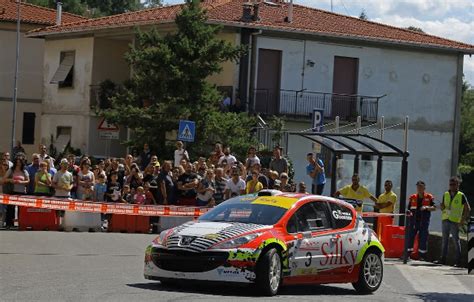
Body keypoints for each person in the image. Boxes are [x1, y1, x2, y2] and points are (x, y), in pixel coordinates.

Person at [434, 177, 471, 266]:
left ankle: (457, 261)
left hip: (455, 221)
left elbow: (468, 209)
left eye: (454, 184)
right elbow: (443, 207)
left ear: (458, 184)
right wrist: (442, 206)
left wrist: (462, 221)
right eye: (450, 184)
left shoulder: (461, 195)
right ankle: (442, 259)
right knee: (444, 241)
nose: (452, 186)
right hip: (445, 219)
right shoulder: (446, 194)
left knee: (456, 241)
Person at [407, 181, 436, 261]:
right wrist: (408, 212)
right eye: (418, 187)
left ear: (424, 188)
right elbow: (408, 208)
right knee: (410, 236)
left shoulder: (429, 197)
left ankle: (422, 256)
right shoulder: (412, 197)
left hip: (424, 221)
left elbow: (434, 208)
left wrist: (426, 207)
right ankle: (407, 254)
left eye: (421, 187)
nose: (419, 188)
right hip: (414, 221)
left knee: (423, 238)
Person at [4, 156, 29, 228]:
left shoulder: (24, 171)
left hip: (21, 192)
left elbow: (28, 181)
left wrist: (21, 182)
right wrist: (10, 180)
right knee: (10, 208)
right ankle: (9, 224)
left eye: (20, 162)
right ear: (15, 163)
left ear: (22, 163)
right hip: (12, 191)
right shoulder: (11, 170)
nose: (18, 164)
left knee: (21, 209)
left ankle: (21, 223)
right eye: (17, 162)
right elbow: (4, 179)